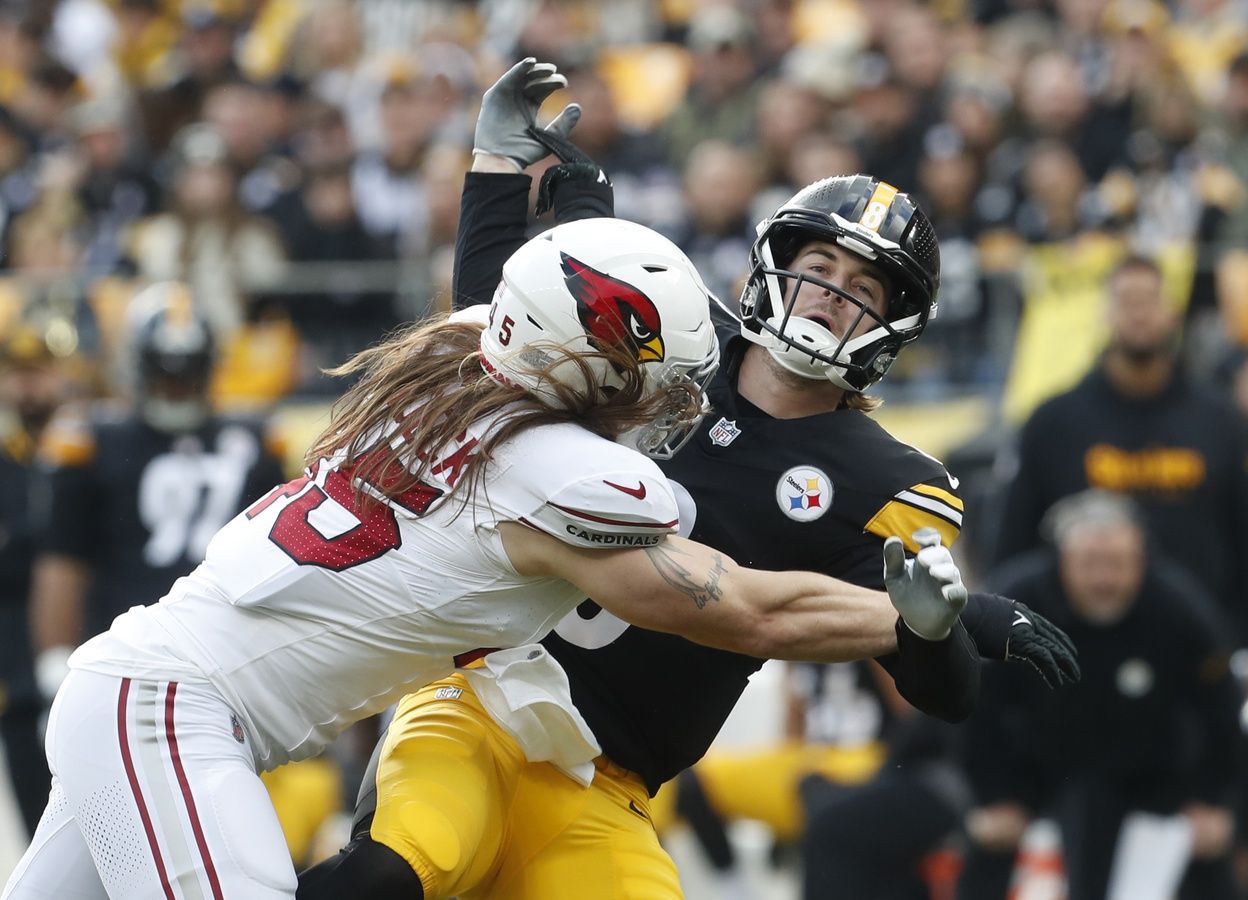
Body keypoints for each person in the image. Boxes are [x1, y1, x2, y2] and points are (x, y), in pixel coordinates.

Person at [3, 210, 973, 900]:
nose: (679, 399)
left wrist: (503, 177)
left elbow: (530, 283)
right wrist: (936, 618)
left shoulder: (457, 355)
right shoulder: (573, 475)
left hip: (149, 685)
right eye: (657, 376)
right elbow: (741, 607)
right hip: (187, 712)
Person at [298, 59, 1076, 900]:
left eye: (861, 288)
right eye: (820, 266)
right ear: (778, 261)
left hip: (611, 787)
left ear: (893, 323)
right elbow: (500, 326)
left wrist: (932, 630)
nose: (828, 295)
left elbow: (943, 694)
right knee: (390, 875)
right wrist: (494, 176)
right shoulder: (679, 337)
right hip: (481, 705)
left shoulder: (889, 478)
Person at [959, 490, 1240, 900]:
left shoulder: (1181, 610)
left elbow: (1222, 710)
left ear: (1142, 560)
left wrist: (1211, 800)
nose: (1104, 580)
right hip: (1037, 778)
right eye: (1090, 564)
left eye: (1118, 564)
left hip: (1155, 780)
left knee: (1212, 869)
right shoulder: (1014, 603)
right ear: (1061, 560)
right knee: (988, 859)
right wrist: (993, 795)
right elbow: (972, 704)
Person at [28, 281, 286, 711]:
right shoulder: (90, 441)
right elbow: (63, 559)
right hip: (121, 651)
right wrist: (56, 663)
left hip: (229, 655)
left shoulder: (258, 440)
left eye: (188, 371)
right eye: (166, 371)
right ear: (140, 366)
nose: (177, 385)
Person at [991, 253, 1248, 639]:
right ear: (1104, 314)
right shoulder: (1052, 422)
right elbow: (1014, 547)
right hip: (1077, 647)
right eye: (1126, 301)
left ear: (1172, 313)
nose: (1139, 314)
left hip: (1198, 647)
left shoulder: (1221, 421)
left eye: (1149, 301)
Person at [0, 323, 69, 838]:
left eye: (38, 372)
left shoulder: (86, 452)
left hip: (88, 653)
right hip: (18, 675)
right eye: (16, 373)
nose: (28, 387)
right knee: (37, 835)